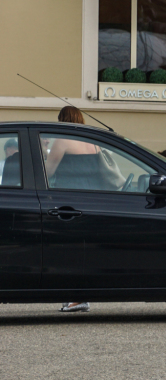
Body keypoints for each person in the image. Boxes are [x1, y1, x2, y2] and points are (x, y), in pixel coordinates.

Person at [48, 106, 97, 313]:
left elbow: (47, 172)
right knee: (84, 251)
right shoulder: (94, 143)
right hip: (92, 201)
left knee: (68, 250)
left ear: (63, 119)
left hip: (69, 201)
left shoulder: (62, 141)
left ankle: (75, 297)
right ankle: (81, 295)